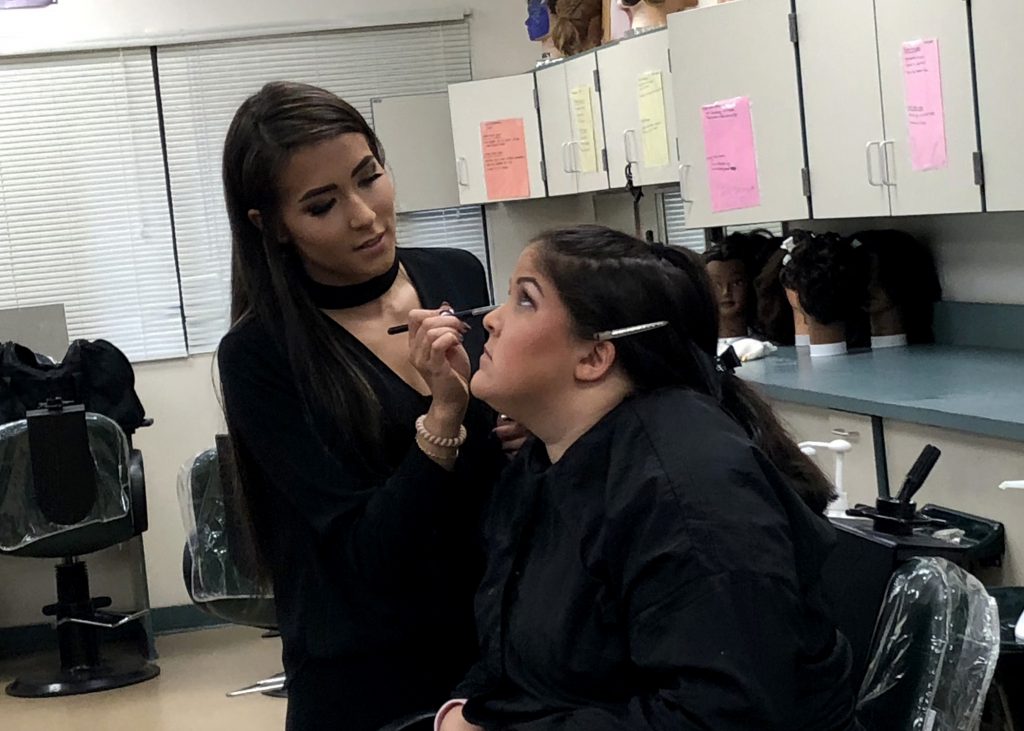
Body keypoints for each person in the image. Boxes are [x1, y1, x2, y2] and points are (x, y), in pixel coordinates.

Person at [438, 225, 860, 731]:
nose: (492, 319)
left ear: (595, 356)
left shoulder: (688, 492)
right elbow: (512, 646)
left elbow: (717, 717)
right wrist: (466, 711)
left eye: (525, 300)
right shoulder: (550, 459)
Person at [216, 81, 505, 731]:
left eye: (369, 177)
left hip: (490, 640)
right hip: (367, 671)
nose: (365, 215)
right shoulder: (261, 354)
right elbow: (367, 553)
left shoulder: (457, 276)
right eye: (322, 205)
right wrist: (443, 418)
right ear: (273, 226)